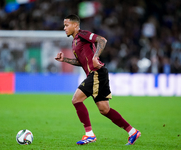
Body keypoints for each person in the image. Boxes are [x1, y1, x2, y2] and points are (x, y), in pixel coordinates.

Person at [55, 14, 141, 145]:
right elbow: (81, 62)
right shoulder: (74, 42)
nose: (64, 28)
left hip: (96, 73)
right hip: (98, 74)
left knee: (76, 100)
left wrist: (96, 57)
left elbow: (102, 40)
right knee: (104, 109)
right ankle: (132, 131)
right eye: (64, 25)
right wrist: (64, 60)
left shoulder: (82, 34)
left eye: (66, 25)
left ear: (75, 25)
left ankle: (89, 134)